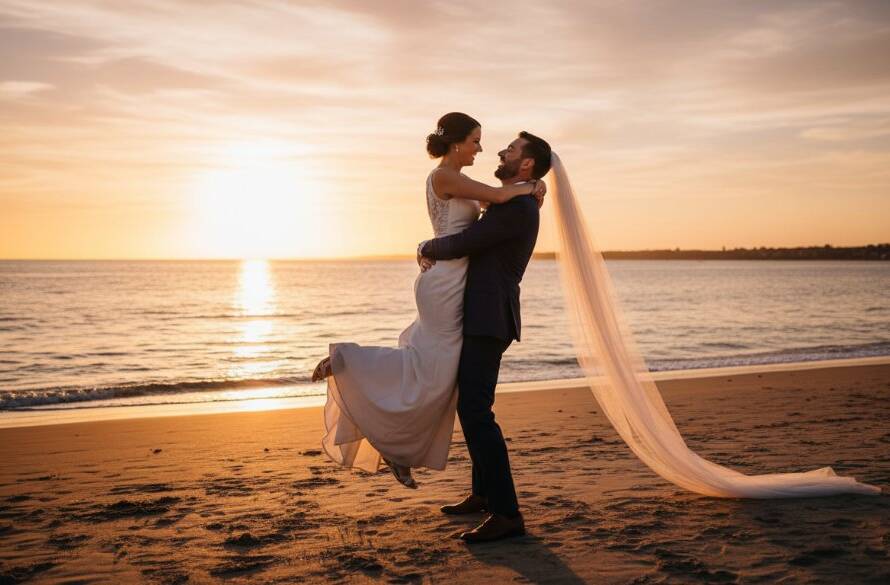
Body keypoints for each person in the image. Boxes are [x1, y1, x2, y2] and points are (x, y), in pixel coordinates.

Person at [311, 113, 546, 497]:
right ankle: (350, 366)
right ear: (457, 143)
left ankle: (399, 444)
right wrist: (532, 185)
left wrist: (531, 185)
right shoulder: (446, 177)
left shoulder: (475, 187)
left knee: (434, 370)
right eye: (475, 141)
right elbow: (497, 200)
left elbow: (494, 206)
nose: (483, 148)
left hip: (455, 285)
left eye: (493, 144)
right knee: (433, 369)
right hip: (445, 282)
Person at [417, 130, 552, 543]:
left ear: (526, 163)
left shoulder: (519, 207)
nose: (500, 151)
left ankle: (507, 513)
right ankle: (481, 493)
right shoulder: (511, 198)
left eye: (511, 150)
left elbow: (470, 241)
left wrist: (428, 245)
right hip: (482, 315)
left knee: (477, 411)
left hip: (489, 318)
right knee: (473, 405)